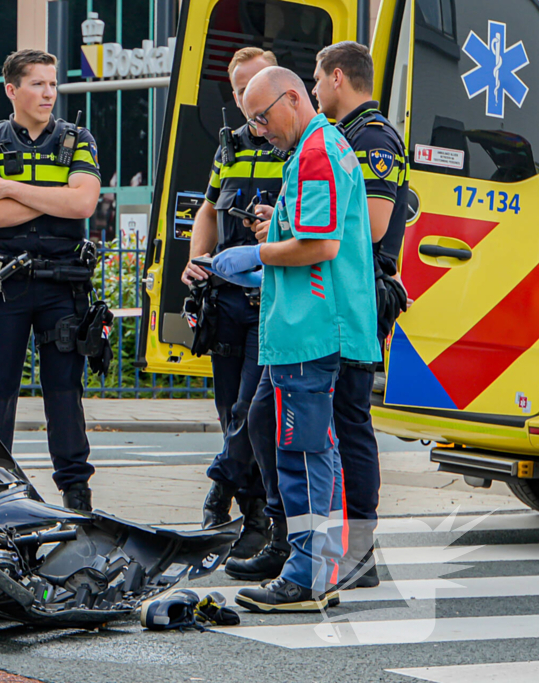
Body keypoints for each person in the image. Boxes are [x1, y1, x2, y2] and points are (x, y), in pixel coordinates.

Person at [211, 66, 380, 612]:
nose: (259, 130)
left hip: (308, 331)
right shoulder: (316, 148)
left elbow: (320, 246)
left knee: (304, 454)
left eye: (261, 117)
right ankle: (311, 564)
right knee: (304, 448)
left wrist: (255, 254)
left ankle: (307, 574)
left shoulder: (315, 152)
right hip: (307, 327)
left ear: (292, 98)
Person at [0, 49, 102, 512]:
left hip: (64, 285)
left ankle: (76, 494)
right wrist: (56, 194)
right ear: (12, 90)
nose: (49, 93)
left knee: (64, 392)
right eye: (38, 84)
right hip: (4, 285)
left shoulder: (78, 139)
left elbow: (84, 205)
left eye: (52, 83)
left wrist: (10, 186)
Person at [310, 41, 410, 589]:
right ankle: (322, 545)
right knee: (335, 421)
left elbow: (372, 226)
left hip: (358, 296)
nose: (314, 88)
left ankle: (363, 555)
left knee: (350, 422)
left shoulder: (371, 139)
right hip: (341, 295)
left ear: (340, 77)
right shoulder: (347, 136)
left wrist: (312, 229)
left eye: (318, 78)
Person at [180, 47, 283, 559]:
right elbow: (207, 206)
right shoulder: (231, 144)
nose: (247, 97)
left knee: (251, 408)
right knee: (229, 410)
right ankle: (248, 510)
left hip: (271, 298)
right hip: (226, 298)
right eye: (240, 89)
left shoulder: (294, 142)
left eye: (256, 84)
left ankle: (230, 493)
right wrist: (197, 257)